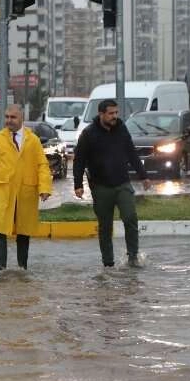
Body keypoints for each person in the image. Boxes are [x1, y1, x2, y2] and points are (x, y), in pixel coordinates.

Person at [73, 99, 152, 268]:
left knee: (130, 217)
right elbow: (79, 160)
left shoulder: (121, 129)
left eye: (116, 113)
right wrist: (78, 185)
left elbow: (131, 153)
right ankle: (108, 262)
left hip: (122, 183)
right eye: (111, 113)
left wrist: (143, 176)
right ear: (101, 114)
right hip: (101, 187)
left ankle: (133, 256)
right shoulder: (88, 134)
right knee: (105, 226)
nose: (115, 116)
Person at [0, 104, 52, 274]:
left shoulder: (32, 140)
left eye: (13, 117)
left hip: (26, 191)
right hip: (2, 190)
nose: (9, 121)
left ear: (21, 119)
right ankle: (1, 265)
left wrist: (45, 188)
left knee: (24, 229)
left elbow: (42, 165)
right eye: (7, 117)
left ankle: (22, 266)